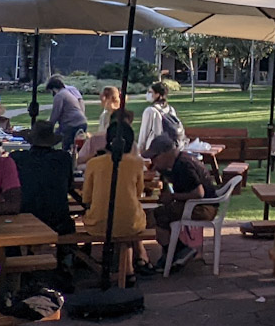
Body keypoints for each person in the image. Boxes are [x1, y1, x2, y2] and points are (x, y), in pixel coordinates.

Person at [81, 116, 149, 280]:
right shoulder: (137, 163)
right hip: (131, 223)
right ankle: (130, 268)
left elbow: (86, 198)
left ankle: (122, 269)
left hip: (98, 224)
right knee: (132, 219)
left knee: (108, 218)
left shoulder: (94, 164)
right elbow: (138, 193)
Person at [149, 134, 211, 271]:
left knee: (159, 214)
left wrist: (172, 196)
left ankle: (178, 250)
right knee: (162, 214)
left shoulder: (183, 165)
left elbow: (199, 193)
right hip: (196, 205)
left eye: (154, 158)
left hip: (202, 207)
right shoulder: (178, 162)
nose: (153, 162)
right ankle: (173, 252)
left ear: (165, 154)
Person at [138, 81, 183, 151]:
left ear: (157, 94)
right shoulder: (170, 109)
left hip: (154, 150)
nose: (147, 94)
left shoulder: (150, 111)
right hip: (171, 149)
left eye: (150, 92)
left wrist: (140, 150)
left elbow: (144, 134)